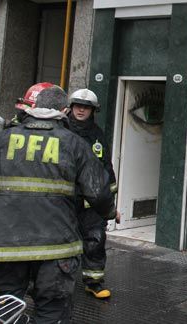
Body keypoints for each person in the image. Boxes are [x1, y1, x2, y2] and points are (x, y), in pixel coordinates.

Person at [0, 86, 116, 323]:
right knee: (51, 312)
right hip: (56, 250)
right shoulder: (74, 144)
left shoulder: (4, 138)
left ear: (34, 107)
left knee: (0, 314)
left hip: (3, 247)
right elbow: (99, 192)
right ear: (65, 110)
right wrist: (109, 212)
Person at [67, 88, 119, 299]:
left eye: (86, 107)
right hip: (65, 199)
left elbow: (106, 167)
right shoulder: (60, 130)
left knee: (95, 239)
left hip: (91, 202)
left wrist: (110, 202)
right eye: (78, 105)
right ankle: (56, 282)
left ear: (93, 110)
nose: (81, 110)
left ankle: (93, 282)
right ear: (70, 107)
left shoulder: (97, 134)